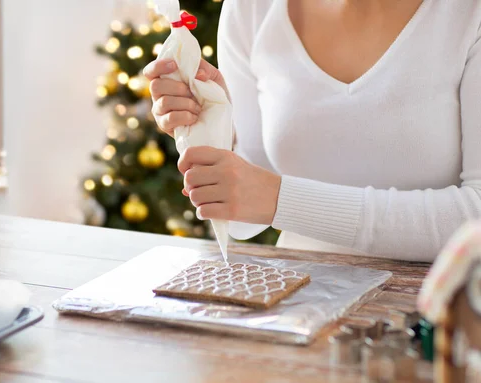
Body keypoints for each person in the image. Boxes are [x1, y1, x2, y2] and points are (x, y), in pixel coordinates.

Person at [143, 0, 481, 262]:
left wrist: (280, 200)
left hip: (445, 319)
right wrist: (210, 129)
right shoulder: (251, 9)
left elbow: (476, 217)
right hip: (297, 306)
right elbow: (247, 220)